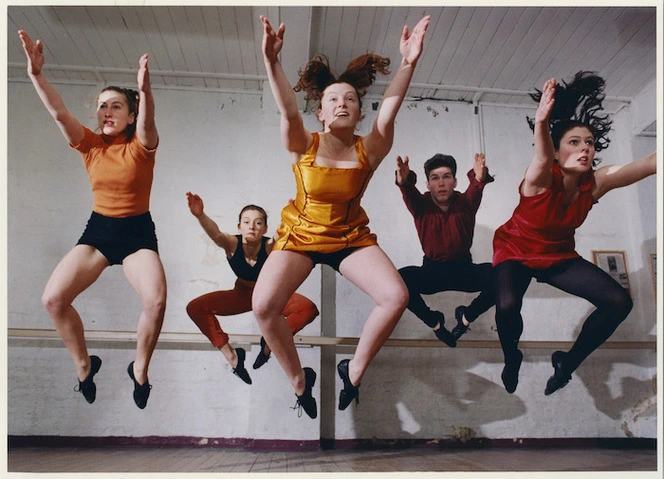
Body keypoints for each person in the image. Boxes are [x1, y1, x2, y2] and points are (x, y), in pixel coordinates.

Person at [252, 14, 430, 418]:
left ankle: (355, 370)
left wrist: (408, 63)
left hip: (350, 237)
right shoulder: (304, 142)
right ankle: (300, 380)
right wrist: (271, 62)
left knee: (396, 296)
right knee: (263, 307)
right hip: (300, 236)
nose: (342, 103)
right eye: (333, 99)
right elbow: (287, 110)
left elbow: (390, 110)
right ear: (321, 112)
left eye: (350, 99)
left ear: (359, 112)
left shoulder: (371, 147)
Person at [19, 30, 166, 409]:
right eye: (102, 106)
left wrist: (145, 92)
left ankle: (140, 370)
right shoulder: (90, 146)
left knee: (156, 300)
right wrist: (36, 74)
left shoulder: (141, 147)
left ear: (130, 114)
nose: (106, 112)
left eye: (116, 106)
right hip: (99, 230)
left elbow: (148, 125)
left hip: (136, 232)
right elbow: (58, 112)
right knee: (53, 299)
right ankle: (85, 365)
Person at [492, 71, 657, 396]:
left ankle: (566, 363)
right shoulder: (540, 178)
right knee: (508, 304)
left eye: (590, 143)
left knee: (618, 302)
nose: (585, 149)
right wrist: (542, 122)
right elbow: (540, 155)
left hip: (557, 256)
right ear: (556, 151)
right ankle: (512, 357)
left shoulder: (597, 182)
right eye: (574, 142)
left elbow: (653, 161)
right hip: (516, 252)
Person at [185, 193, 319, 384]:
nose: (252, 227)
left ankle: (269, 344)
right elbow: (216, 234)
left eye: (258, 223)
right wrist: (200, 215)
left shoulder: (269, 246)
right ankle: (233, 357)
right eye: (246, 222)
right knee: (195, 307)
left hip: (270, 296)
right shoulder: (232, 244)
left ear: (264, 228)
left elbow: (282, 232)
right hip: (242, 294)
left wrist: (293, 214)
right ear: (239, 226)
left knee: (308, 309)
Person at [395, 152, 495, 347]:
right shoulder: (420, 205)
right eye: (435, 178)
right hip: (432, 273)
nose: (441, 183)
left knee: (505, 275)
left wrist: (480, 178)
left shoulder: (466, 203)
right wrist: (404, 181)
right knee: (397, 281)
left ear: (455, 182)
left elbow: (476, 188)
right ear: (428, 185)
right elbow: (408, 190)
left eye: (446, 177)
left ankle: (466, 316)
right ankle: (435, 322)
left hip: (465, 271)